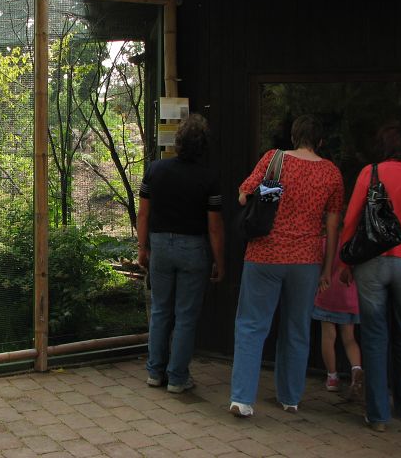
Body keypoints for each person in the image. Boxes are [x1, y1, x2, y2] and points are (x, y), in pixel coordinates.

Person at [229, 114, 343, 417]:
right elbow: (332, 226)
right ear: (320, 141)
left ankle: (242, 399)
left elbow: (244, 196)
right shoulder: (331, 174)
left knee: (252, 325)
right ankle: (290, 397)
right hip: (306, 261)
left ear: (293, 137)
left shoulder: (274, 160)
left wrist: (269, 193)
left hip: (265, 255)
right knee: (297, 329)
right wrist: (327, 269)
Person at [137, 113, 225, 394]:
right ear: (203, 146)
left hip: (160, 246)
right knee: (186, 315)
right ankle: (177, 378)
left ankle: (154, 372)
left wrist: (142, 247)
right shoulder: (209, 178)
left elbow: (143, 213)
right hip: (193, 249)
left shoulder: (155, 170)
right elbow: (214, 227)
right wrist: (219, 261)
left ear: (177, 143)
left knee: (161, 310)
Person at [340, 121, 401, 432]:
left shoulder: (371, 173)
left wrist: (345, 260)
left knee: (375, 336)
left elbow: (353, 216)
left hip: (372, 261)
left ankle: (378, 414)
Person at [312, 241, 362, 398]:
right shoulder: (353, 242)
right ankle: (356, 370)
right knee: (349, 339)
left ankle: (332, 377)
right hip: (348, 295)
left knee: (328, 337)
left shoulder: (325, 242)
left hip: (327, 293)